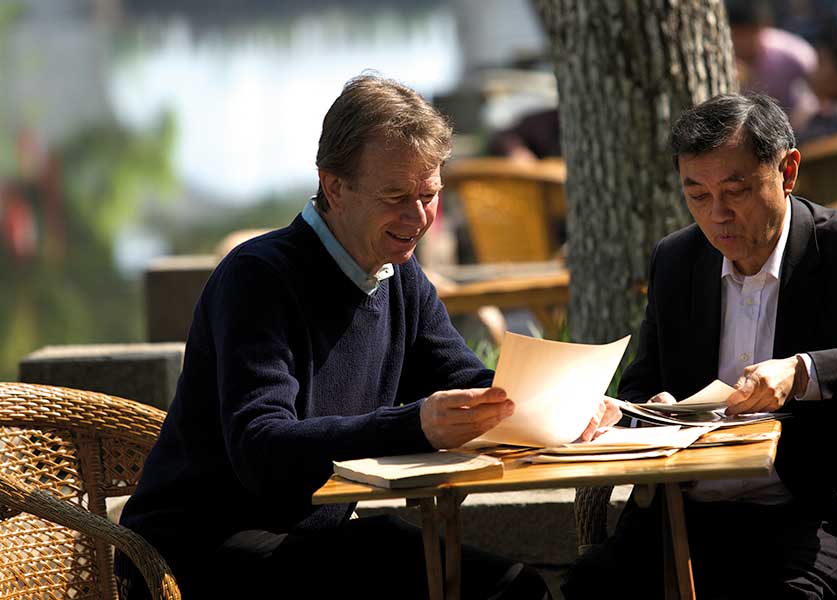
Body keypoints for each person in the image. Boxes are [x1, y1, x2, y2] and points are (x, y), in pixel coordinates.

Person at [114, 74, 620, 600]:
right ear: (334, 187)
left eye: (430, 195)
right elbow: (261, 449)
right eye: (396, 196)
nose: (418, 217)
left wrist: (562, 403)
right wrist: (415, 423)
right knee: (458, 577)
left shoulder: (398, 275)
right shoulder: (257, 278)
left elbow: (467, 382)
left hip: (308, 542)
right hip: (194, 555)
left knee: (514, 588)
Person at [562, 93, 837, 599]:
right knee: (588, 588)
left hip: (809, 510)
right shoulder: (678, 260)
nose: (718, 215)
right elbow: (645, 383)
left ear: (787, 171)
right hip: (690, 511)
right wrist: (642, 411)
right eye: (698, 196)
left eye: (737, 190)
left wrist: (804, 372)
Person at [727, 0, 818, 115]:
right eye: (736, 36)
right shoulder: (724, 58)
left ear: (761, 29)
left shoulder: (789, 53)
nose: (741, 43)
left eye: (746, 35)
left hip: (796, 121)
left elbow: (818, 79)